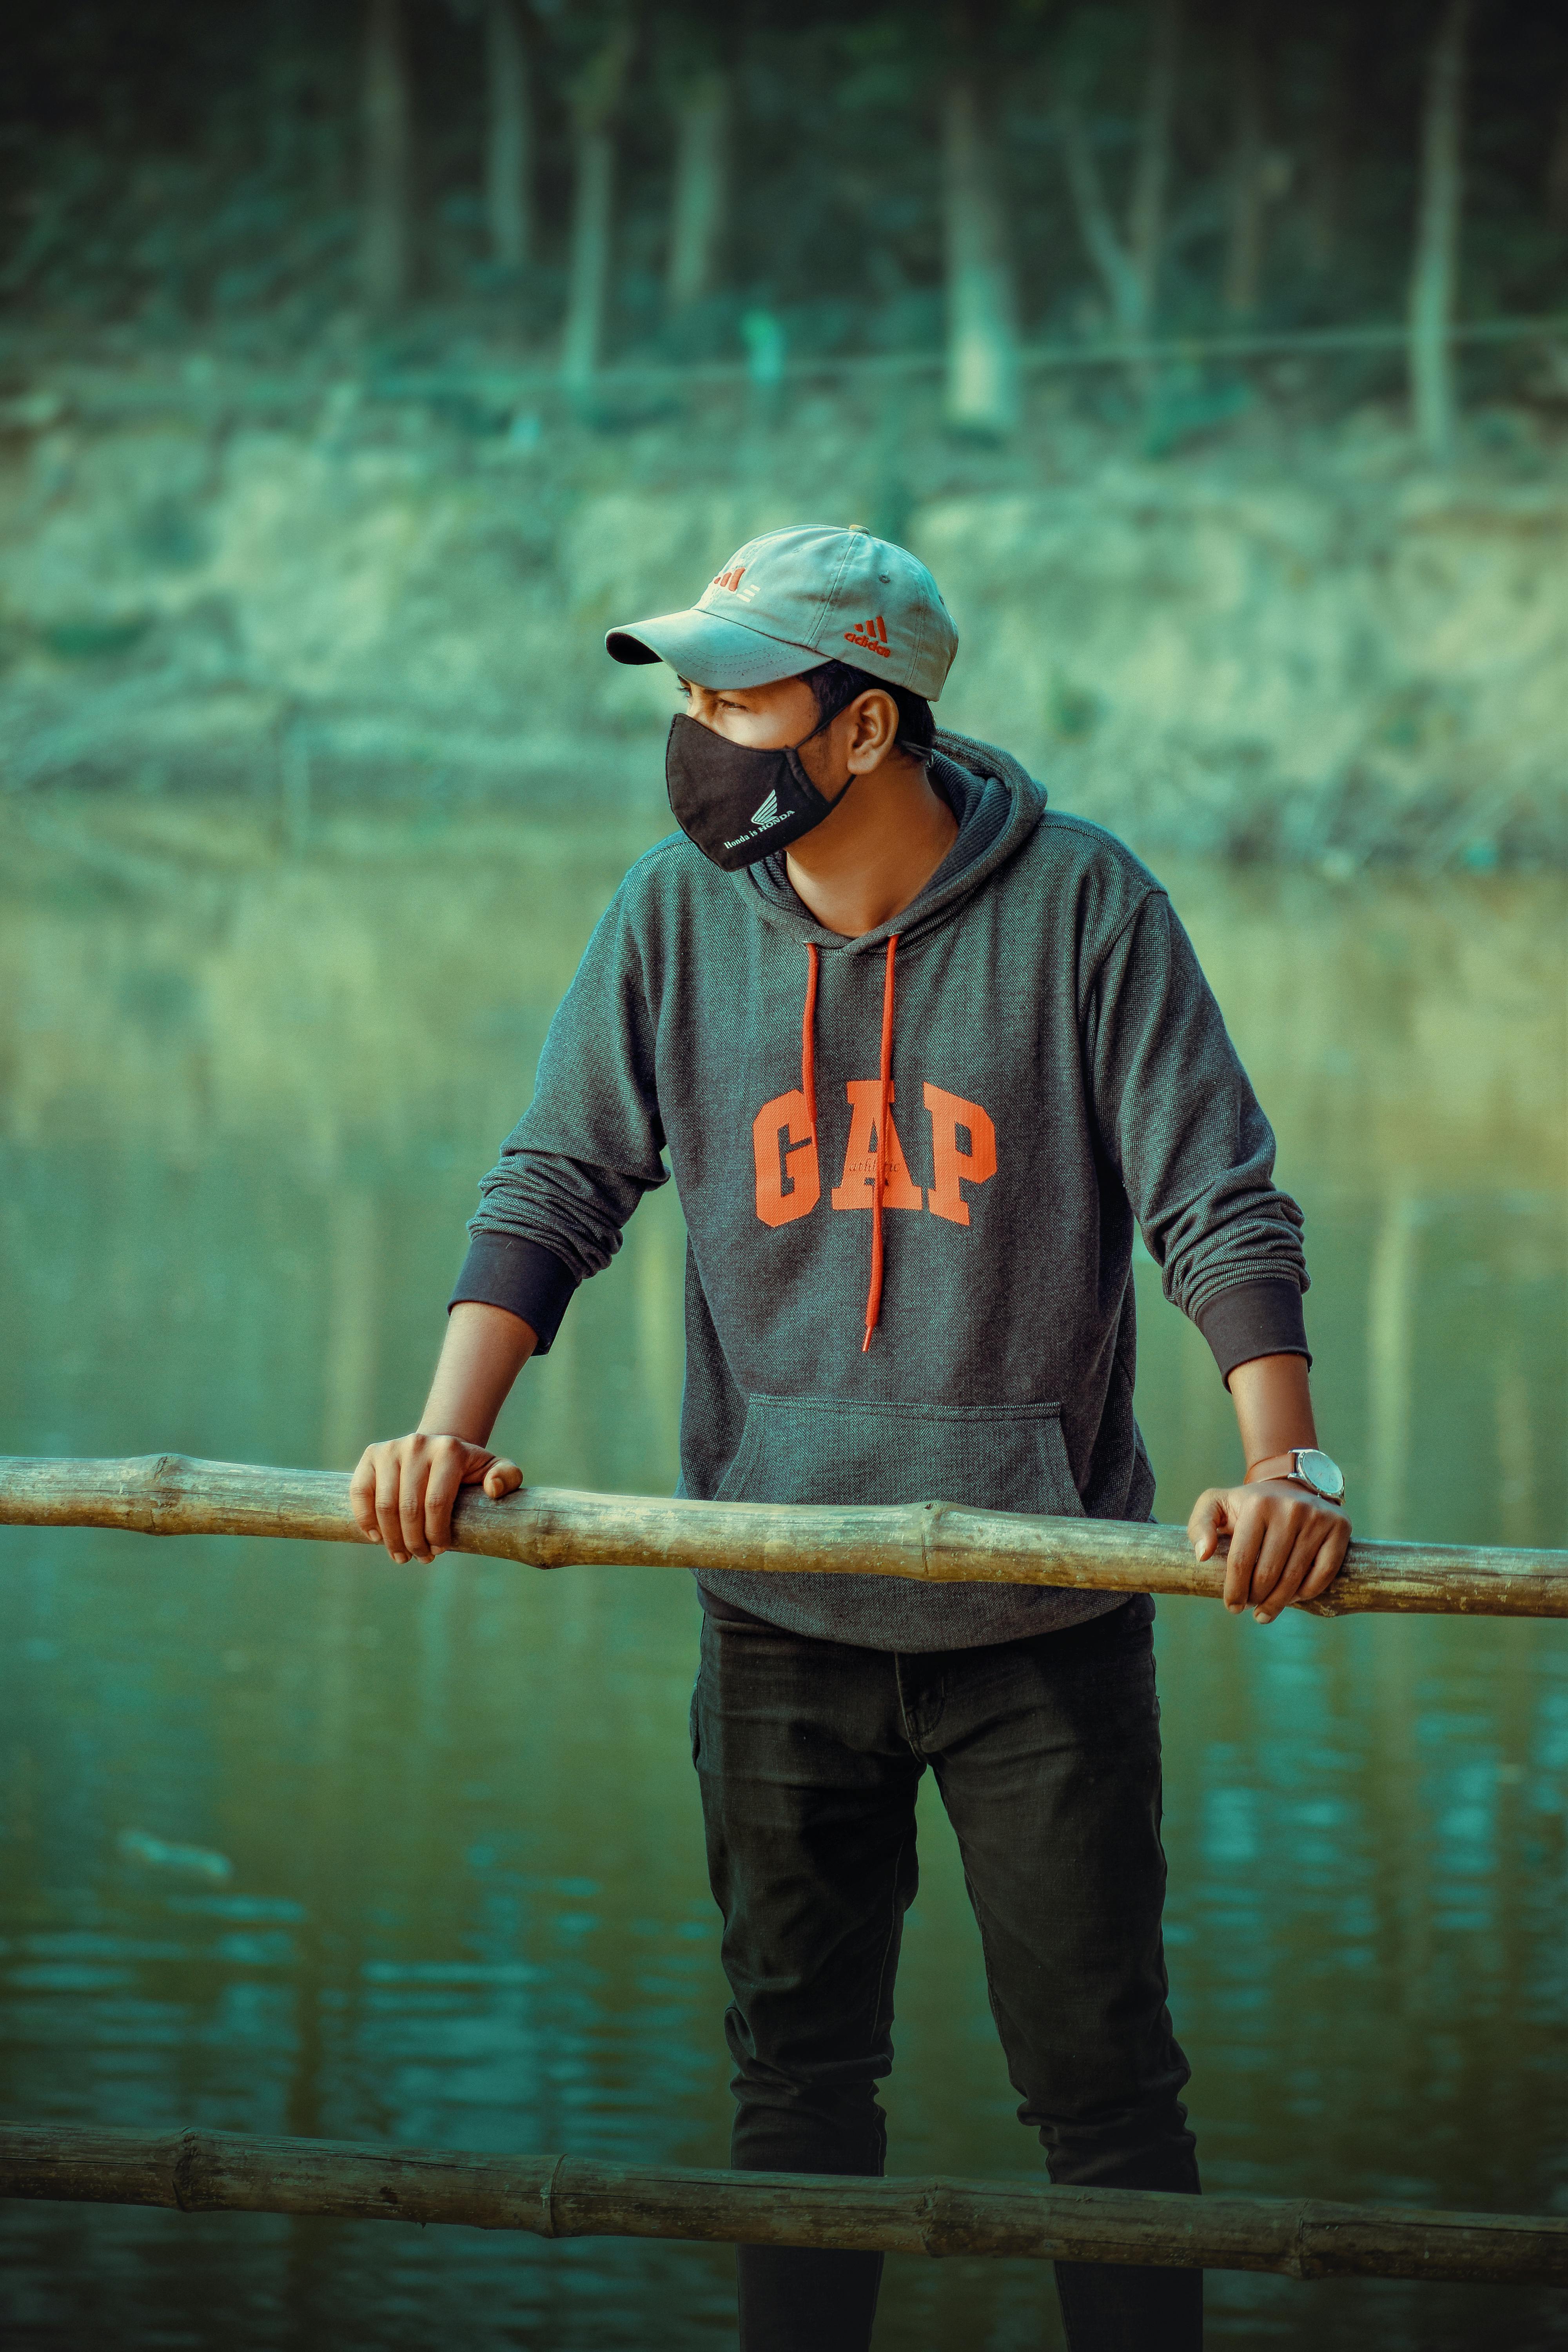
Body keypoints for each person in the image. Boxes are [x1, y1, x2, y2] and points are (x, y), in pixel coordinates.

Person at [351, 523, 1352, 2352]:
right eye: (690, 693)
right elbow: (558, 1181)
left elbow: (1217, 1201)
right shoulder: (670, 916)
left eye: (742, 696)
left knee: (1104, 2102)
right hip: (774, 1605)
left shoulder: (1084, 909)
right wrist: (441, 1435)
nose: (700, 734)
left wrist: (1285, 1466)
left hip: (1039, 1619)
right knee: (796, 2100)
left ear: (869, 726)